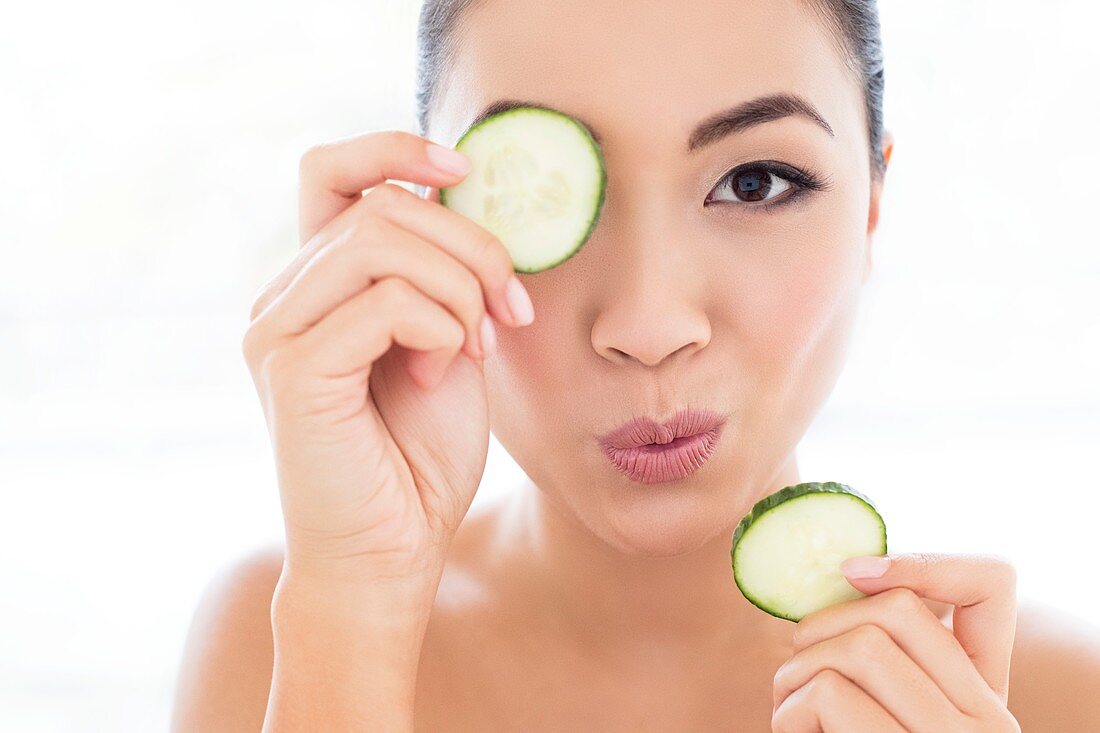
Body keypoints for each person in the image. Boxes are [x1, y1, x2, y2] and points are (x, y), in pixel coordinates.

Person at [171, 1, 1100, 730]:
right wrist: (355, 609)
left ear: (871, 205)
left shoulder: (1048, 699)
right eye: (545, 192)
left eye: (756, 182)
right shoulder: (291, 636)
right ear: (424, 219)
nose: (649, 323)